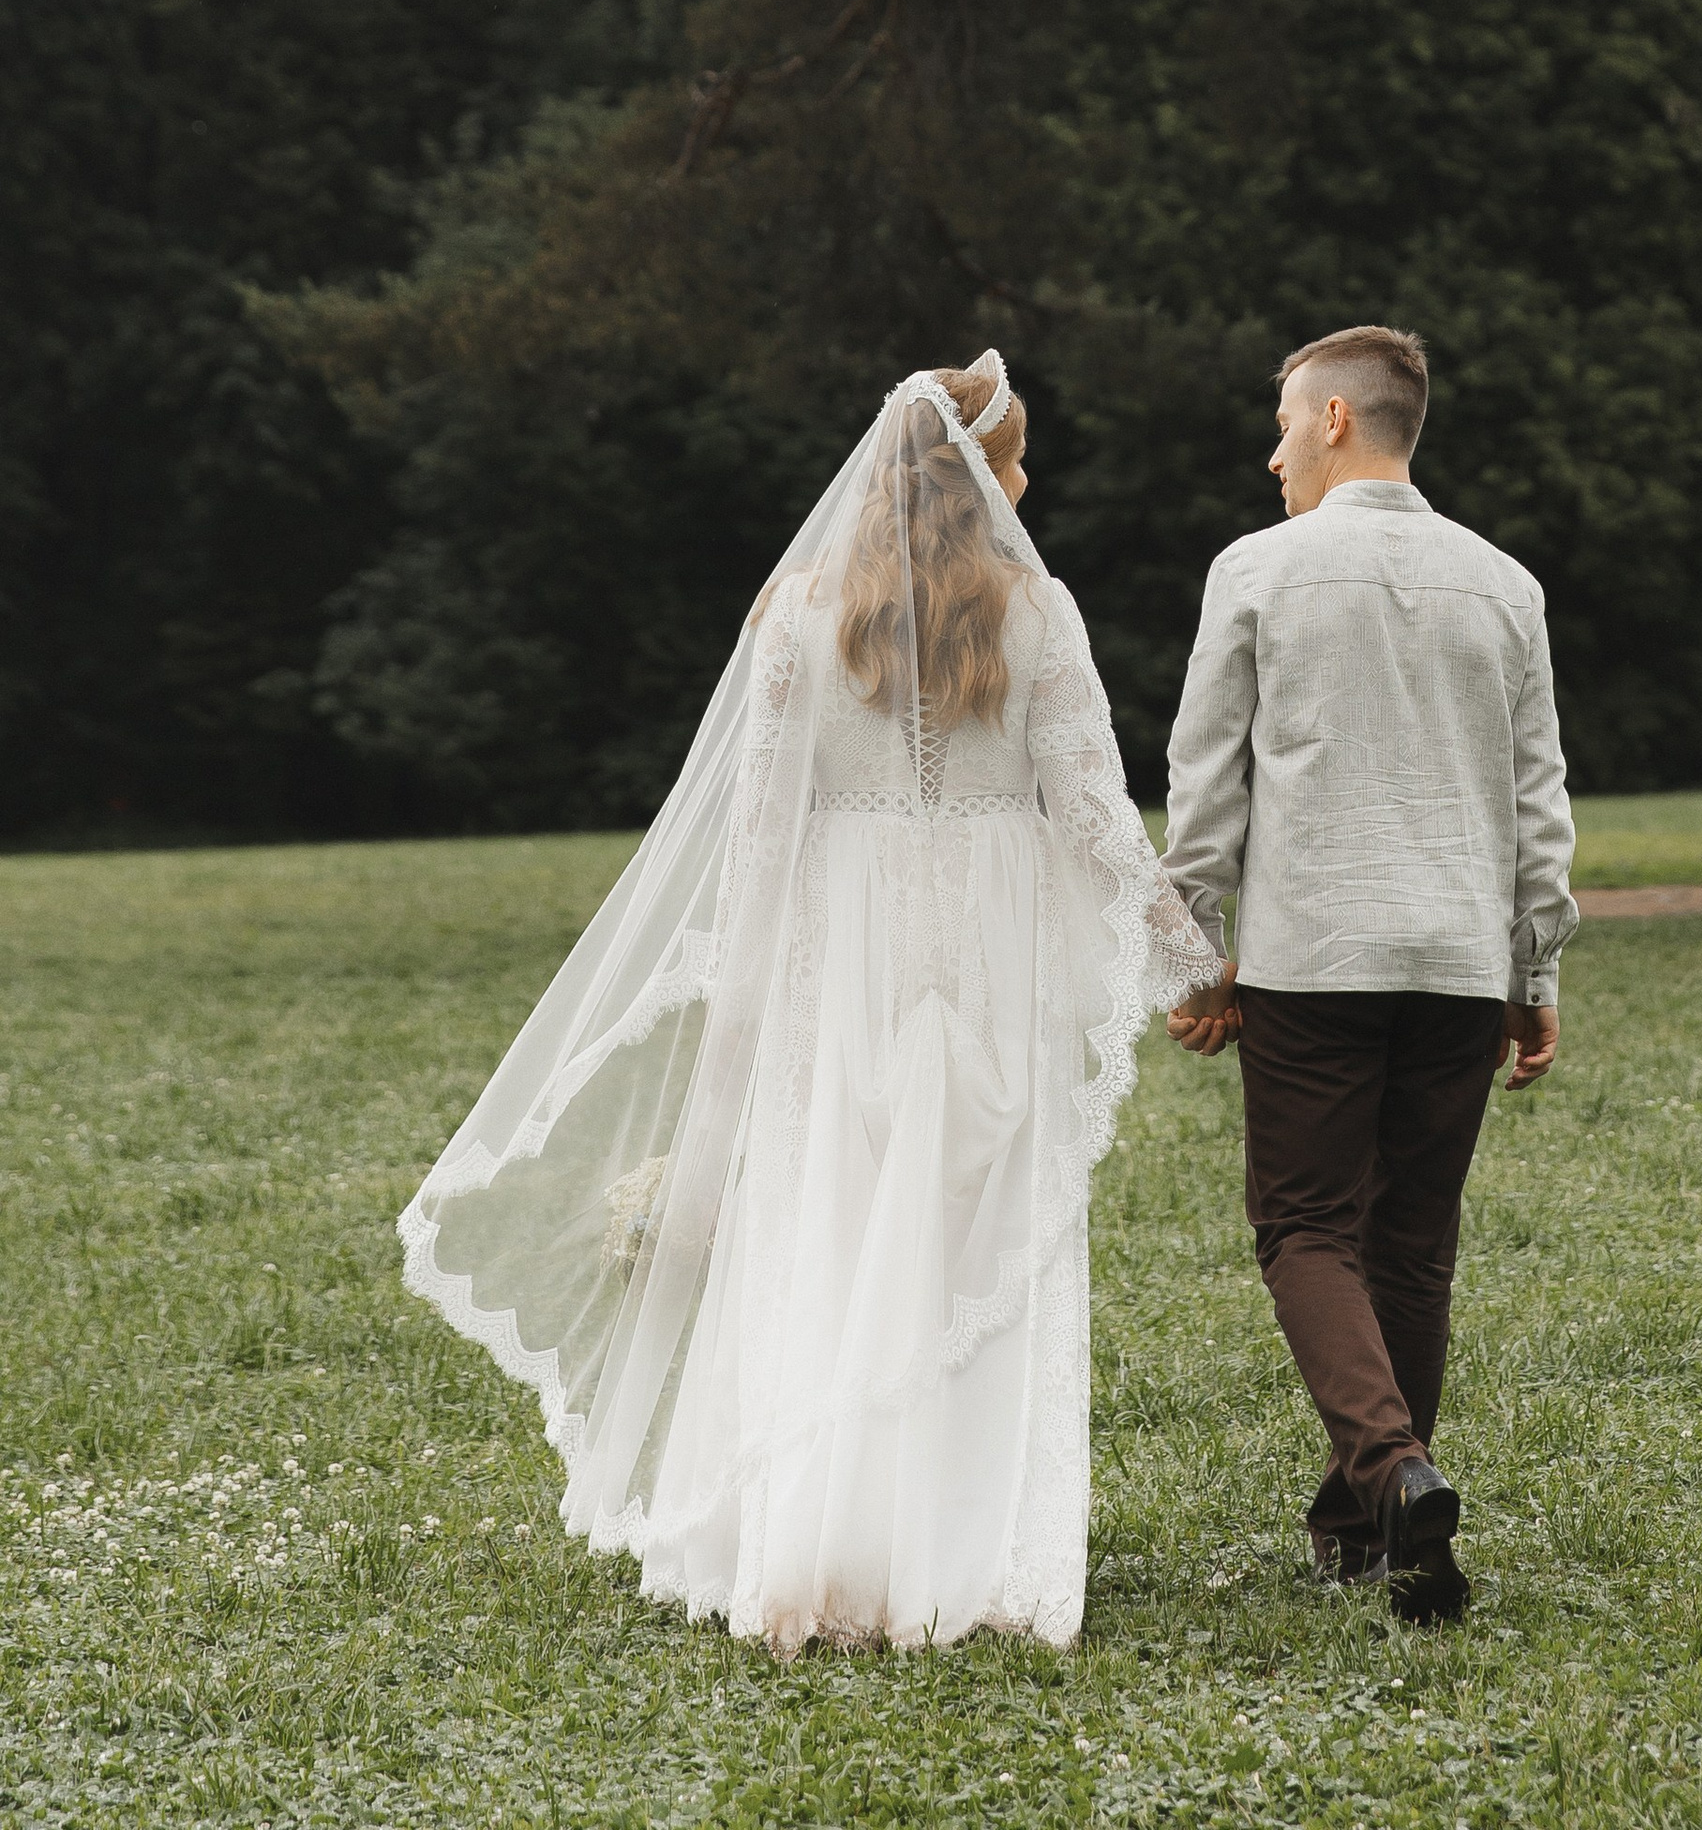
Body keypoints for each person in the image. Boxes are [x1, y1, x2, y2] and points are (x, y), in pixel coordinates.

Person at [399, 353, 1218, 1652]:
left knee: (830, 1239)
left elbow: (760, 845)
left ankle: (817, 1556)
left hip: (839, 969)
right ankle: (968, 1557)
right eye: (1020, 457)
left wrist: (742, 1031)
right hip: (990, 970)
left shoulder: (795, 616)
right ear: (983, 475)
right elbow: (1101, 828)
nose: (1033, 478)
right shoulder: (1037, 614)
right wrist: (1201, 965)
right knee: (972, 1251)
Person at [1159, 324, 1577, 1622]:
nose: (1271, 448)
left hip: (1314, 958)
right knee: (1413, 1243)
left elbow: (1205, 784)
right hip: (1456, 961)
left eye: (1285, 421)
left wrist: (1189, 954)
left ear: (1338, 420)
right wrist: (1534, 967)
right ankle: (1378, 1531)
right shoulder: (1506, 586)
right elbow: (1537, 802)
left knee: (1304, 1227)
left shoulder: (1256, 573)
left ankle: (1391, 1471)